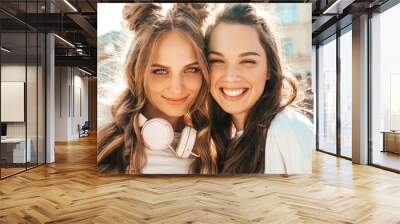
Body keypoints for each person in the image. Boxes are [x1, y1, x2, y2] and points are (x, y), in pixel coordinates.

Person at [97, 3, 217, 174]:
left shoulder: (214, 145)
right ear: (136, 72)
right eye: (160, 71)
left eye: (191, 69)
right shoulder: (101, 124)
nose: (177, 89)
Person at [206, 3, 314, 174]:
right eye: (217, 61)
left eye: (248, 61)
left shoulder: (287, 129)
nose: (230, 76)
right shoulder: (230, 139)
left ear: (269, 69)